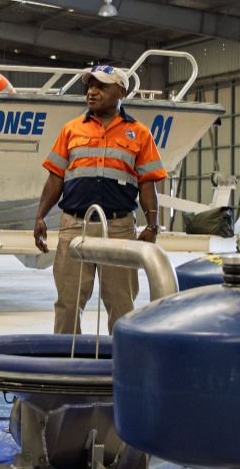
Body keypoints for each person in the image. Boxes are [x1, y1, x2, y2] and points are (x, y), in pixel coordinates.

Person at [34, 64, 167, 335]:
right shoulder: (71, 130)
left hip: (119, 229)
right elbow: (56, 177)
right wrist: (40, 216)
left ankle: (121, 357)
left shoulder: (140, 133)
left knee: (122, 305)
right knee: (68, 304)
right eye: (90, 86)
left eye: (101, 87)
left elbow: (147, 183)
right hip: (74, 227)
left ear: (121, 92)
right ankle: (65, 357)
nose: (92, 92)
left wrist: (153, 226)